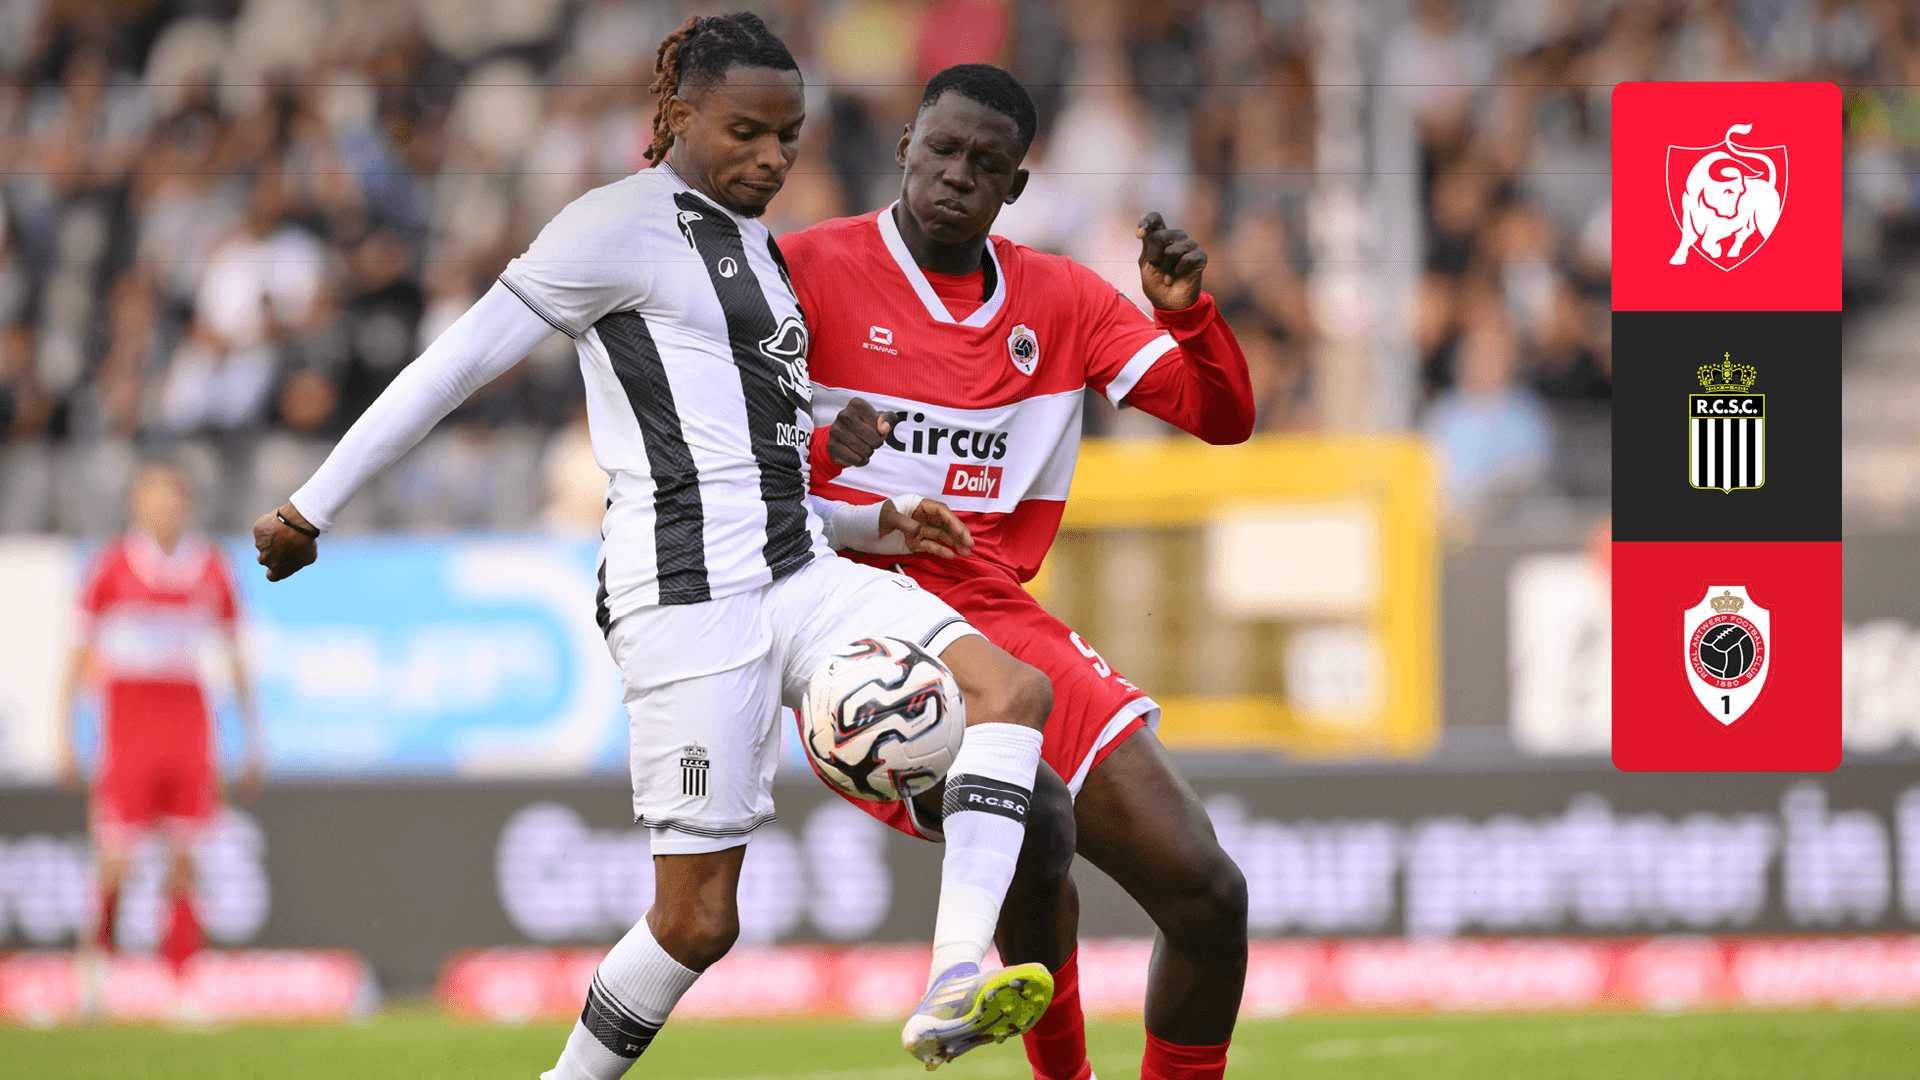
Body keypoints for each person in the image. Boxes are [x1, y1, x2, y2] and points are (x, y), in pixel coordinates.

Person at [250, 15, 1068, 1077]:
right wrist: (310, 506)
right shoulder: (611, 227)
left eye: (788, 136)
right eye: (747, 132)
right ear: (678, 115)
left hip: (801, 571)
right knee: (697, 922)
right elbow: (455, 365)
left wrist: (871, 516)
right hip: (686, 604)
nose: (772, 158)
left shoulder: (759, 252)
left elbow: (748, 457)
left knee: (1011, 692)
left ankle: (955, 976)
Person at [783, 65, 1255, 1080]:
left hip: (997, 614)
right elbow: (731, 457)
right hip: (855, 625)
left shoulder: (1063, 298)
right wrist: (832, 460)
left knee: (1209, 895)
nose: (958, 174)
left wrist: (1188, 317)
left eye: (986, 163)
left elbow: (1222, 418)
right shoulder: (803, 270)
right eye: (943, 149)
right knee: (1034, 822)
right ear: (906, 145)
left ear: (1017, 186)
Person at [56, 462, 265, 979]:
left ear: (185, 506)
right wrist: (64, 733)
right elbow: (77, 654)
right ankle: (95, 969)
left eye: (172, 501)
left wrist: (252, 737)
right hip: (130, 717)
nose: (164, 511)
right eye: (154, 501)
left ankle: (181, 978)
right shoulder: (113, 566)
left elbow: (235, 656)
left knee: (185, 857)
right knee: (116, 858)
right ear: (138, 506)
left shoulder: (209, 567)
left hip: (187, 715)